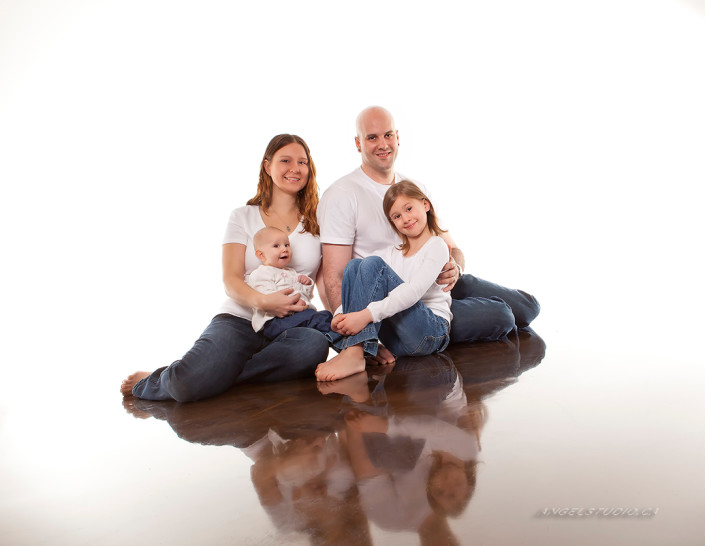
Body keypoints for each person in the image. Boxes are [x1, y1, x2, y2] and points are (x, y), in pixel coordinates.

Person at [120, 134, 330, 402]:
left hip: (291, 326)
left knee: (313, 346)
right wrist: (265, 302)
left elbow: (326, 281)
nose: (295, 169)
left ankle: (215, 375)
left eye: (302, 162)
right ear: (267, 166)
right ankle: (160, 379)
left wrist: (353, 340)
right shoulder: (242, 216)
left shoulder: (319, 219)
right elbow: (231, 280)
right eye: (285, 160)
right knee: (185, 387)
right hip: (241, 319)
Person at [317, 106, 540, 352]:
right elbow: (335, 276)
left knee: (527, 308)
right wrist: (357, 335)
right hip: (398, 304)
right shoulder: (342, 194)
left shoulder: (413, 187)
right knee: (500, 315)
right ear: (358, 143)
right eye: (372, 137)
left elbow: (451, 246)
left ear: (398, 137)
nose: (383, 144)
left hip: (436, 284)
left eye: (388, 135)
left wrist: (455, 267)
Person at [315, 181, 452, 382]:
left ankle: (354, 352)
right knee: (355, 267)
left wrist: (365, 315)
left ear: (425, 205)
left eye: (409, 208)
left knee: (372, 264)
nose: (405, 218)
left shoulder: (437, 246)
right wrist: (341, 314)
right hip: (397, 342)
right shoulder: (393, 253)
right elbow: (363, 282)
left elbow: (413, 292)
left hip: (430, 333)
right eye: (397, 216)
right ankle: (356, 350)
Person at [248, 226, 333, 339]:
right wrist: (293, 303)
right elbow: (268, 297)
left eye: (287, 245)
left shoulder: (291, 273)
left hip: (296, 316)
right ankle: (344, 345)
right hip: (275, 321)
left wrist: (306, 284)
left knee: (325, 316)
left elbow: (305, 296)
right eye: (276, 246)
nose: (284, 249)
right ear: (261, 255)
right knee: (319, 320)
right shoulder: (261, 273)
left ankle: (338, 341)